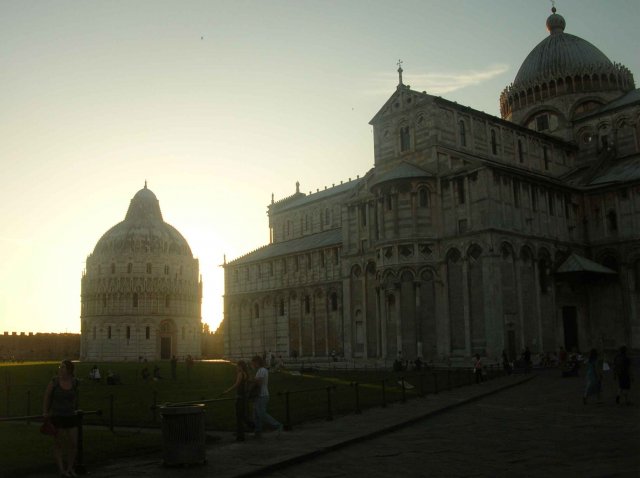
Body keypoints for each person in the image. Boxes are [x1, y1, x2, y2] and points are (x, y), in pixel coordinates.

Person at [43, 360, 79, 477]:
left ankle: (70, 468)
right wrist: (45, 411)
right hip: (57, 416)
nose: (60, 369)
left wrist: (73, 407)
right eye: (60, 366)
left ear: (69, 370)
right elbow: (47, 397)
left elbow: (74, 397)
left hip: (70, 415)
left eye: (63, 367)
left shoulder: (74, 382)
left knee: (73, 443)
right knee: (58, 443)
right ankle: (62, 470)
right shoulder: (54, 382)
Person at [251, 355, 283, 438]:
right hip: (260, 395)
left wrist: (251, 380)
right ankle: (257, 432)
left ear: (256, 362)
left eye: (253, 363)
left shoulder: (261, 370)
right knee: (256, 415)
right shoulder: (261, 370)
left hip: (262, 395)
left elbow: (259, 383)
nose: (252, 365)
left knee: (262, 414)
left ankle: (277, 425)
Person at [222, 360, 251, 441]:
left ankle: (240, 435)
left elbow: (237, 384)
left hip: (239, 397)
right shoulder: (246, 374)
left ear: (240, 366)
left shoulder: (240, 374)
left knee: (238, 416)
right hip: (244, 396)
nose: (236, 367)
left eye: (237, 366)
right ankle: (242, 432)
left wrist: (227, 391)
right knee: (242, 415)